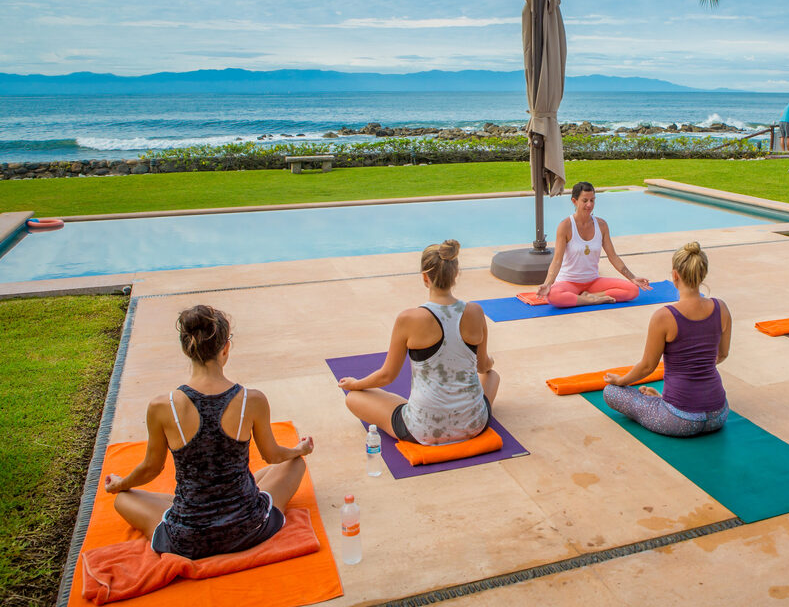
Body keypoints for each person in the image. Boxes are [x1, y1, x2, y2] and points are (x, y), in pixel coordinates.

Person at [104, 305, 314, 559]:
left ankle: (198, 504)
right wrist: (299, 450)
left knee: (122, 498)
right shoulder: (252, 400)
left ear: (186, 349)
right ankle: (232, 498)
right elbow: (273, 455)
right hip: (248, 528)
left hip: (188, 538)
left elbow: (151, 468)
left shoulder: (162, 406)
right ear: (226, 348)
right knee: (295, 464)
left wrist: (121, 484)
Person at [339, 239, 500, 445]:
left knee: (353, 398)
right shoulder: (475, 311)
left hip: (424, 430)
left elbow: (387, 376)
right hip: (475, 424)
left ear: (425, 278)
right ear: (456, 274)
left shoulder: (408, 318)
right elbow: (483, 367)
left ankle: (420, 412)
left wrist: (355, 384)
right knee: (492, 376)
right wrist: (490, 361)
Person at [601, 242, 731, 436]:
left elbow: (647, 367)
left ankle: (662, 403)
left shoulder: (664, 316)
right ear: (703, 274)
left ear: (675, 275)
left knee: (611, 392)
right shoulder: (721, 308)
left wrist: (621, 380)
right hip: (718, 415)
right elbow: (722, 355)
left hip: (679, 420)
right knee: (674, 400)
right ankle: (662, 400)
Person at [536, 181, 652, 307]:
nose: (589, 205)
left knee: (632, 290)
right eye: (585, 201)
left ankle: (589, 297)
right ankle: (593, 300)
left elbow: (613, 256)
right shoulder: (565, 226)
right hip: (569, 282)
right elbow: (557, 261)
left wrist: (632, 278)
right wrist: (547, 284)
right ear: (574, 201)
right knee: (553, 296)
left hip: (593, 282)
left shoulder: (601, 225)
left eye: (592, 200)